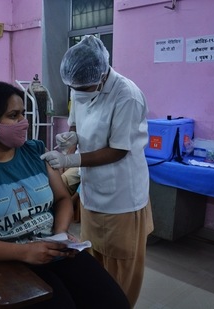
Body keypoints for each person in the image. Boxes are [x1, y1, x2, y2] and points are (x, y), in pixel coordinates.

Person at [0, 81, 130, 309]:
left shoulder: (34, 152)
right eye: (14, 115)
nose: (23, 122)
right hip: (7, 258)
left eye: (24, 114)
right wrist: (23, 251)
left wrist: (59, 235)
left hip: (52, 250)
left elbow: (62, 199)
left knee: (114, 303)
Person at [40, 35, 154, 308]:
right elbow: (76, 126)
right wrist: (71, 139)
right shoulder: (80, 85)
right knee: (93, 261)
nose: (79, 92)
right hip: (93, 191)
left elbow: (118, 150)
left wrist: (70, 161)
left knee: (120, 270)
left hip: (122, 196)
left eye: (86, 86)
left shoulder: (127, 95)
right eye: (74, 88)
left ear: (102, 75)